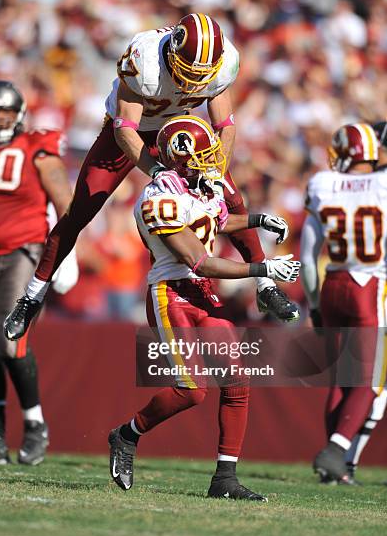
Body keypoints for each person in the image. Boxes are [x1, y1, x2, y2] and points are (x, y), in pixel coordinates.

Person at [4, 12, 299, 342]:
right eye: (187, 73)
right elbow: (125, 131)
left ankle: (266, 286)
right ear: (172, 54)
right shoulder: (144, 59)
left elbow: (225, 128)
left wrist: (215, 173)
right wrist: (158, 171)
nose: (192, 83)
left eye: (201, 77)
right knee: (81, 211)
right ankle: (32, 296)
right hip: (132, 133)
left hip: (178, 132)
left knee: (230, 199)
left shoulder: (225, 60)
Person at [108, 115, 300, 500]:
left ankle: (224, 480)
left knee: (237, 380)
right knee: (192, 390)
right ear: (180, 157)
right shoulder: (157, 197)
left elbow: (219, 219)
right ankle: (127, 434)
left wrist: (260, 218)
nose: (212, 160)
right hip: (170, 294)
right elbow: (200, 259)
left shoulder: (197, 186)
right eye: (204, 153)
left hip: (201, 293)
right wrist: (262, 268)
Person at [0, 80, 79, 465]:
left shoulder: (36, 145)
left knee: (8, 340)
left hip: (23, 251)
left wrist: (67, 255)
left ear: (20, 115)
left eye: (6, 111)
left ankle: (35, 425)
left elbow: (64, 199)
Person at [300, 123, 387, 483]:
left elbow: (307, 258)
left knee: (341, 381)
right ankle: (337, 451)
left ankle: (331, 466)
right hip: (370, 286)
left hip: (333, 283)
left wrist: (315, 305)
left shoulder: (323, 184)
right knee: (369, 382)